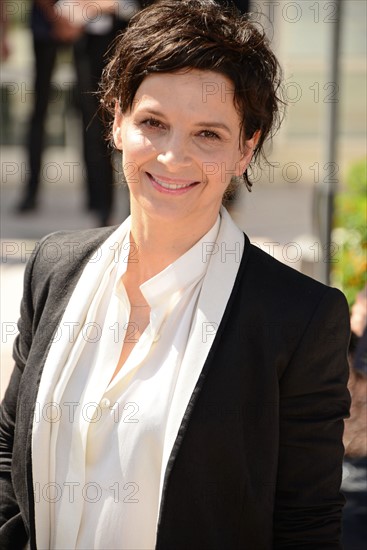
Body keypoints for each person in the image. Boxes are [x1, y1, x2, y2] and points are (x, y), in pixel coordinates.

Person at [0, 1, 351, 548]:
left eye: (208, 134)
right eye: (153, 123)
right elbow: (9, 448)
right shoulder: (55, 267)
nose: (171, 156)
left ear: (246, 149)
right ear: (116, 121)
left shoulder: (298, 318)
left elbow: (305, 523)